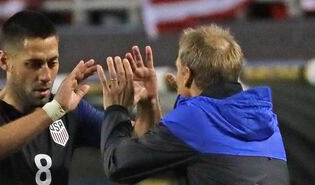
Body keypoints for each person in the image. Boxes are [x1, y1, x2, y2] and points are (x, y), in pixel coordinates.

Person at [98, 24, 289, 185]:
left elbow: (117, 165)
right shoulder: (268, 123)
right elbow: (159, 164)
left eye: (179, 69)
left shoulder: (195, 120)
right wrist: (149, 104)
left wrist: (116, 108)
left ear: (188, 75)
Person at [0, 10, 104, 185]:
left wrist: (143, 106)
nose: (46, 76)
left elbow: (129, 133)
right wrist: (54, 110)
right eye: (34, 64)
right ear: (4, 61)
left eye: (52, 63)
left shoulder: (70, 111)